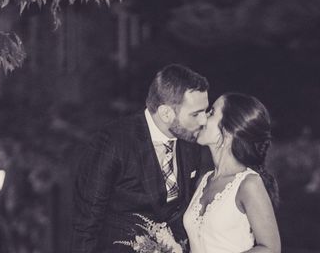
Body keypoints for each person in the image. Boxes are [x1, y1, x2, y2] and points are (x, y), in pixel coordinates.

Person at [71, 64, 211, 253]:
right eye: (195, 114)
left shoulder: (191, 142)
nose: (204, 121)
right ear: (166, 113)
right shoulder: (112, 143)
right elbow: (86, 225)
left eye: (205, 111)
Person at [183, 93, 281, 253]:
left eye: (211, 112)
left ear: (229, 130)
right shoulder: (204, 179)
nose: (202, 118)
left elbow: (271, 249)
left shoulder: (249, 184)